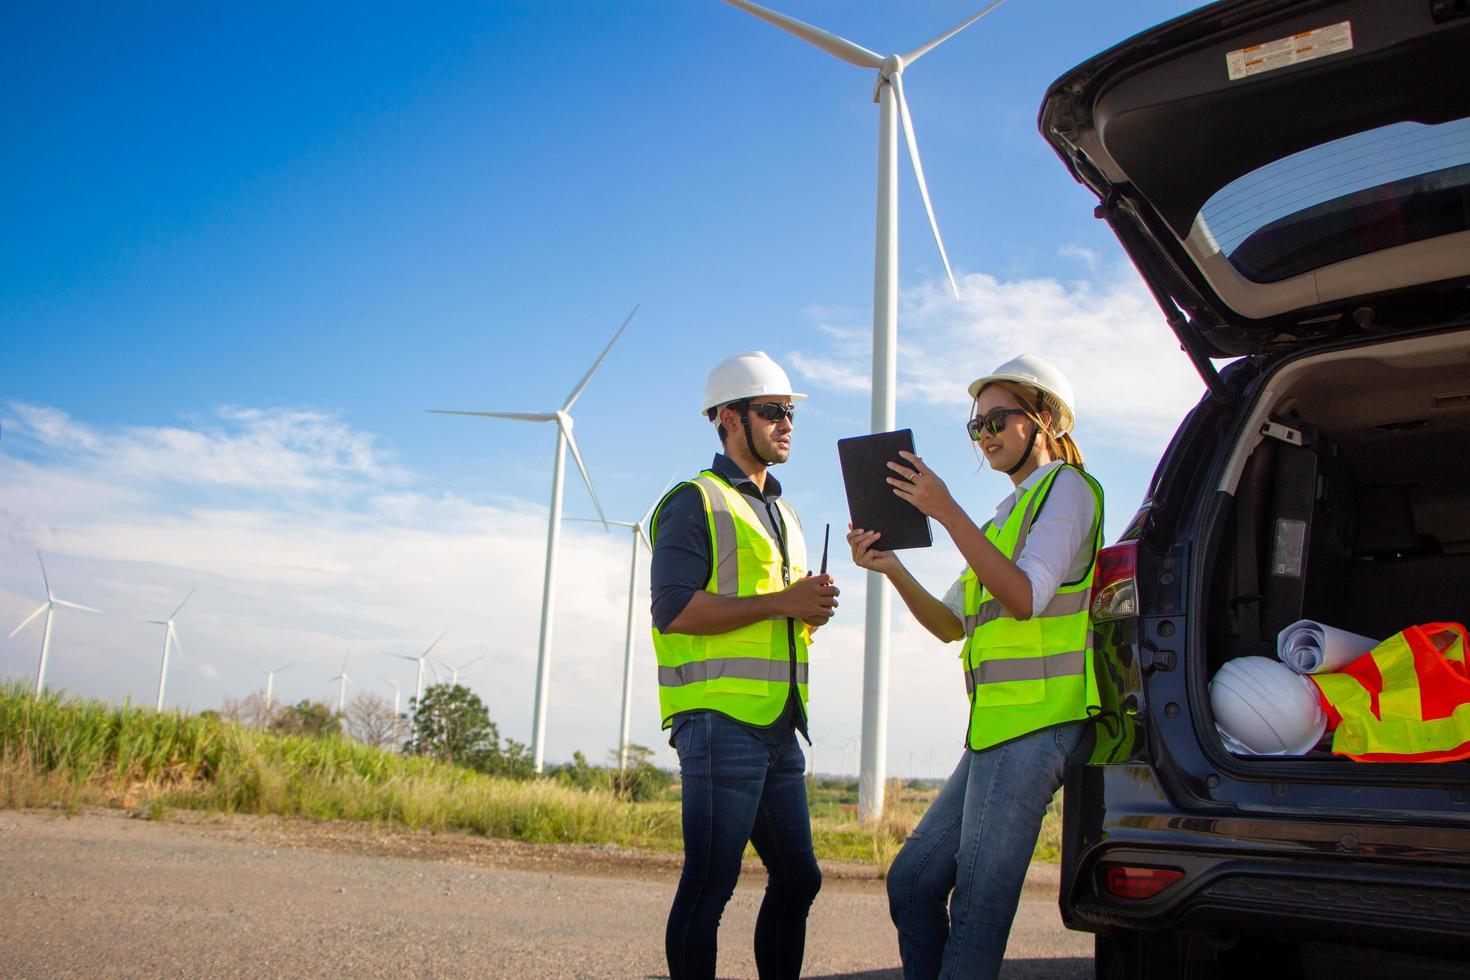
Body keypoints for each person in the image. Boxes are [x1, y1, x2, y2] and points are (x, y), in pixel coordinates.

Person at [846, 354, 1104, 980]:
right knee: (911, 881)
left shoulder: (1067, 490)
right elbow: (948, 624)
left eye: (997, 420)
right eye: (976, 426)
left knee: (979, 914)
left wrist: (945, 509)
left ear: (1043, 420)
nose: (985, 435)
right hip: (993, 733)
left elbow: (1023, 597)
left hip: (1037, 728)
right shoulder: (1001, 519)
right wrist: (891, 568)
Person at [650, 350, 841, 980]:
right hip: (717, 720)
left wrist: (805, 614)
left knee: (799, 878)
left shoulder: (783, 513)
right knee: (710, 885)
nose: (787, 423)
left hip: (778, 723)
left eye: (790, 413)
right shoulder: (693, 500)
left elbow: (768, 613)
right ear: (730, 418)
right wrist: (783, 601)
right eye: (773, 411)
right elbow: (672, 609)